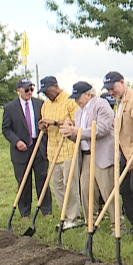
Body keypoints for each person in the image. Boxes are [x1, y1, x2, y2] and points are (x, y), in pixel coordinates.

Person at [59, 82, 116, 230]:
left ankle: (117, 224)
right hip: (86, 156)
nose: (76, 100)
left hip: (101, 154)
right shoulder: (78, 113)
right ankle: (90, 223)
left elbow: (102, 129)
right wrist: (69, 133)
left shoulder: (101, 105)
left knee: (107, 190)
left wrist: (76, 131)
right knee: (85, 190)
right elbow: (80, 136)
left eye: (78, 97)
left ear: (88, 94)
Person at [36, 76, 81, 229]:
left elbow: (77, 124)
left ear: (56, 86)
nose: (46, 94)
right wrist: (44, 126)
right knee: (57, 184)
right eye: (44, 92)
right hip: (53, 150)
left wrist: (54, 122)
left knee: (70, 184)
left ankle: (74, 217)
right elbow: (47, 127)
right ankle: (65, 215)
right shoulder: (45, 105)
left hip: (68, 148)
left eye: (48, 91)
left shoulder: (70, 101)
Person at [104, 71, 133, 234]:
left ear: (122, 82)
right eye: (108, 90)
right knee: (124, 189)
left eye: (112, 88)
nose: (110, 92)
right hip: (124, 152)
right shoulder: (119, 102)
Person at [2, 78, 49, 218]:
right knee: (23, 181)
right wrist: (16, 142)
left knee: (42, 178)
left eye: (31, 89)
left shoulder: (40, 104)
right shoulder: (10, 108)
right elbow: (6, 129)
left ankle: (46, 210)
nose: (29, 92)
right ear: (19, 90)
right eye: (26, 90)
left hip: (38, 146)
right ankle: (25, 212)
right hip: (21, 150)